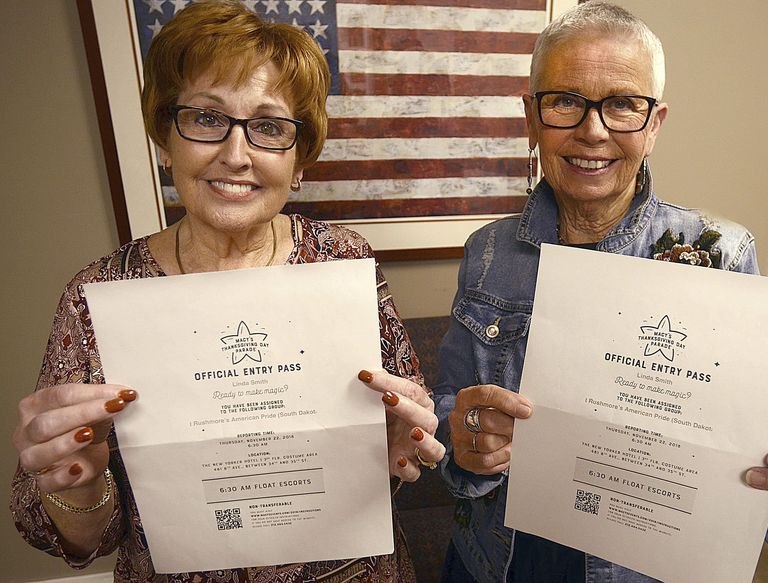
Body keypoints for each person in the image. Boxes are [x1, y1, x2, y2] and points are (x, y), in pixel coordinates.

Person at [432, 3, 768, 582]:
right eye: (565, 101)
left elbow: (743, 456)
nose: (593, 130)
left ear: (655, 123)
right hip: (496, 559)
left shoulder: (720, 256)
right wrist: (464, 444)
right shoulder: (488, 254)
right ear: (532, 117)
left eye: (621, 104)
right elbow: (447, 417)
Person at [10, 2, 444, 581]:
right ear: (166, 139)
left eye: (268, 127)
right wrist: (80, 483)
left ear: (298, 160)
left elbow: (399, 446)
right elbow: (77, 539)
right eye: (207, 118)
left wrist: (397, 444)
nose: (236, 155)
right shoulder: (99, 295)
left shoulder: (345, 260)